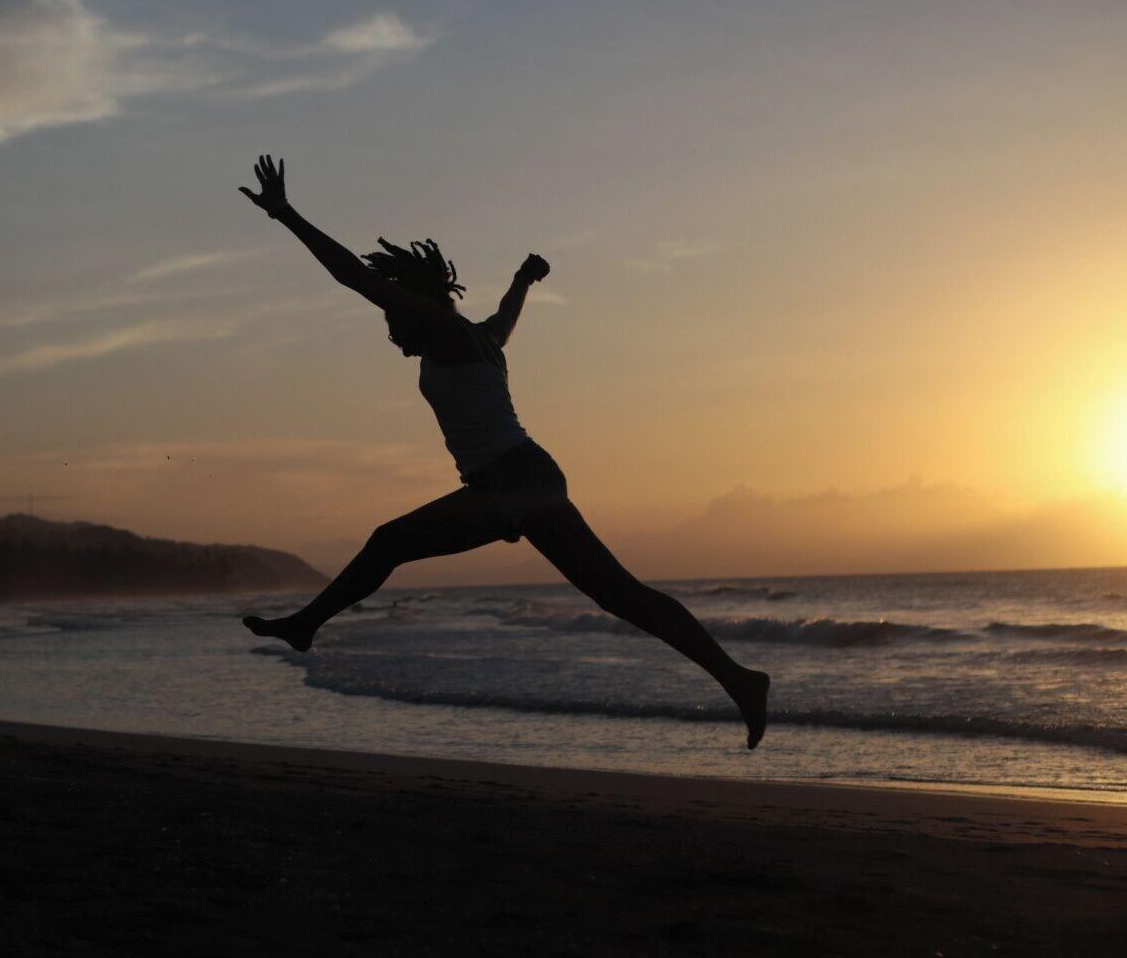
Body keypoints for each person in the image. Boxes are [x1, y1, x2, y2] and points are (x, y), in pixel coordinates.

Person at [236, 155, 770, 748]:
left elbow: (353, 277)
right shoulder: (479, 337)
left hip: (514, 481)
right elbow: (506, 317)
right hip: (523, 478)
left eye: (393, 316)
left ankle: (306, 625)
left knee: (392, 543)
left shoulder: (443, 329)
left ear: (412, 300)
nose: (392, 331)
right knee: (618, 594)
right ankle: (739, 679)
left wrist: (285, 214)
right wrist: (523, 279)